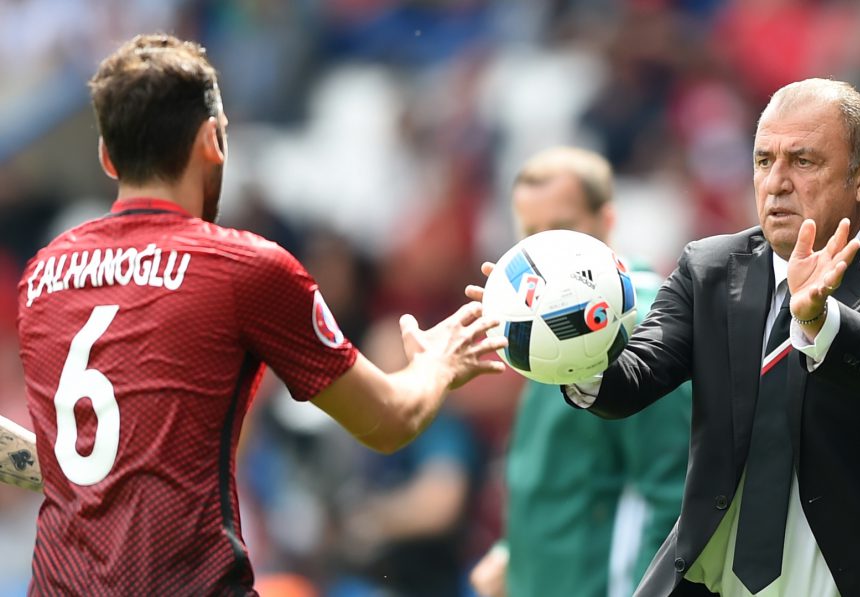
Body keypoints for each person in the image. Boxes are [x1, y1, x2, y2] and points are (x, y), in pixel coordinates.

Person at [15, 34, 506, 595]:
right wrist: (438, 364)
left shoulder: (41, 277)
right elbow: (389, 421)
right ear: (212, 140)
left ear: (107, 156)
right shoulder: (244, 267)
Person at [471, 79, 860, 597]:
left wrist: (819, 321)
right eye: (764, 161)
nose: (777, 182)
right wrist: (555, 342)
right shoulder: (709, 268)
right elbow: (636, 377)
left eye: (803, 162)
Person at [469, 147, 692, 597]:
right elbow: (566, 471)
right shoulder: (540, 327)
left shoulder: (643, 326)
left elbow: (673, 496)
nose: (544, 247)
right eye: (530, 233)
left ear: (606, 222)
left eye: (561, 228)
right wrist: (517, 553)